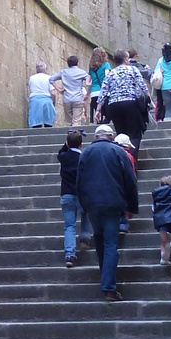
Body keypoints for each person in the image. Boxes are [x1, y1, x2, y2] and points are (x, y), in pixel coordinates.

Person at [76, 123, 138, 301]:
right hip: (113, 203)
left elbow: (79, 181)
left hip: (92, 204)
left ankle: (106, 278)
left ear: (96, 137)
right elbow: (130, 180)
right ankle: (108, 286)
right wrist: (131, 206)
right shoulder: (118, 152)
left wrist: (83, 205)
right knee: (111, 243)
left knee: (100, 240)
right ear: (111, 137)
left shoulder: (86, 153)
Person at [97, 50, 150, 151]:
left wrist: (98, 109)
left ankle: (121, 158)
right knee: (134, 134)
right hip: (130, 103)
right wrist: (149, 100)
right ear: (126, 60)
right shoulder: (133, 69)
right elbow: (142, 85)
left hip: (113, 105)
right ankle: (131, 159)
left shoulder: (111, 73)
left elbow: (103, 91)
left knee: (120, 133)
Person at [57, 128, 85, 267]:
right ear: (81, 145)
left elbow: (60, 152)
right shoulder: (84, 157)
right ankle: (85, 237)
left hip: (66, 194)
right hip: (81, 194)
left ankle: (69, 255)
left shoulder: (64, 157)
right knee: (86, 213)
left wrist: (67, 142)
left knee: (69, 226)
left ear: (67, 143)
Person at [51, 55, 90, 129]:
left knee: (68, 122)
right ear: (77, 63)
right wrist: (87, 94)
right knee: (76, 121)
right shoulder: (81, 72)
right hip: (78, 98)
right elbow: (90, 81)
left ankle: (69, 136)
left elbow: (51, 79)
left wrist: (59, 90)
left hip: (67, 99)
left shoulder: (63, 72)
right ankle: (76, 137)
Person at [113, 132, 138, 234]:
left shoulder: (112, 152)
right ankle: (123, 224)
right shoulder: (127, 155)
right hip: (123, 185)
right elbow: (131, 173)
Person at [27, 62, 56, 128]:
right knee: (48, 122)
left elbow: (31, 89)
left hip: (35, 100)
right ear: (45, 69)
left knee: (36, 123)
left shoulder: (31, 78)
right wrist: (53, 103)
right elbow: (53, 93)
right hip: (47, 100)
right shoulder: (49, 78)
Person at [87, 47, 110, 123]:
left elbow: (87, 82)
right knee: (107, 116)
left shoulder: (91, 68)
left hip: (94, 93)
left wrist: (93, 83)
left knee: (98, 116)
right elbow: (107, 77)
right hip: (104, 93)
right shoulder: (106, 65)